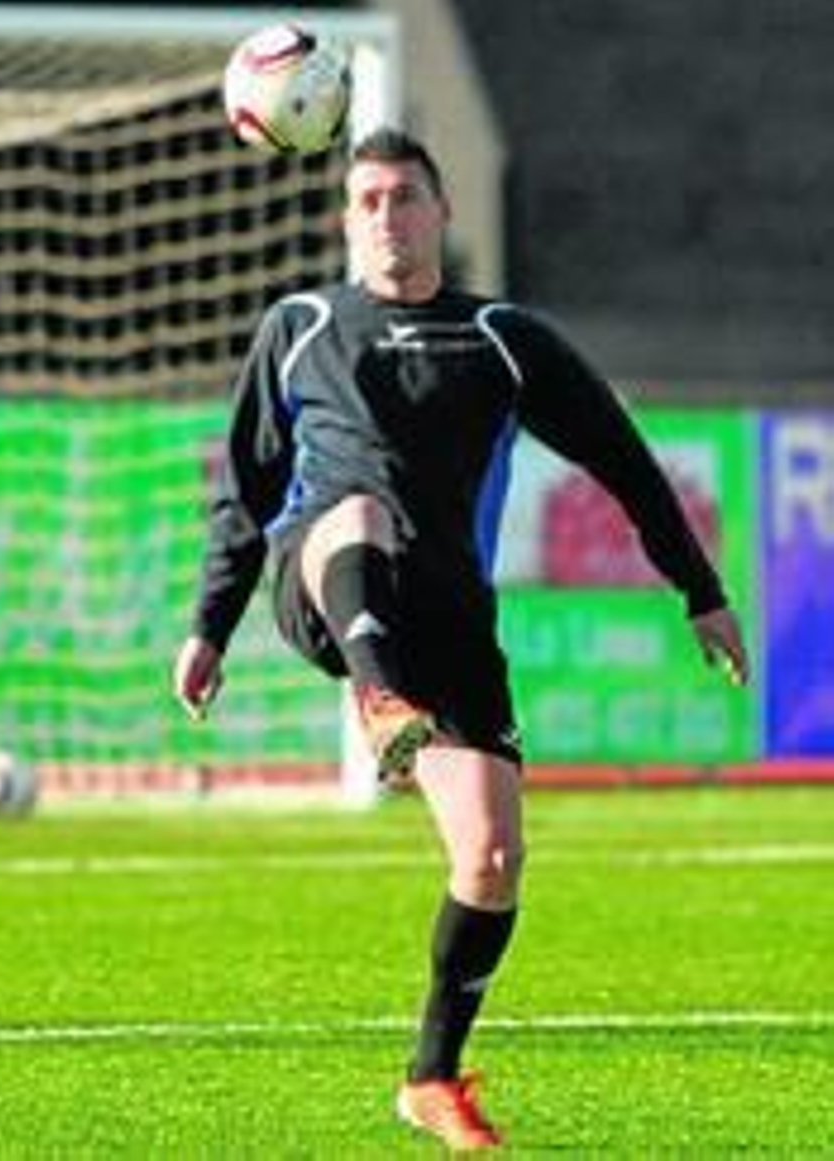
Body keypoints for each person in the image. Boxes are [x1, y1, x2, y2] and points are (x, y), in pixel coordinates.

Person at [172, 128, 749, 1150]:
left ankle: (430, 1078)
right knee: (355, 514)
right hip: (326, 588)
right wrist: (208, 624)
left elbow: (621, 460)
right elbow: (248, 490)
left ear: (441, 214)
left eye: (403, 197)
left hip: (448, 621)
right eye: (365, 201)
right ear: (345, 222)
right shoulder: (301, 325)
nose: (385, 217)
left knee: (488, 855)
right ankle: (377, 697)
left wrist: (698, 589)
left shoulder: (500, 336)